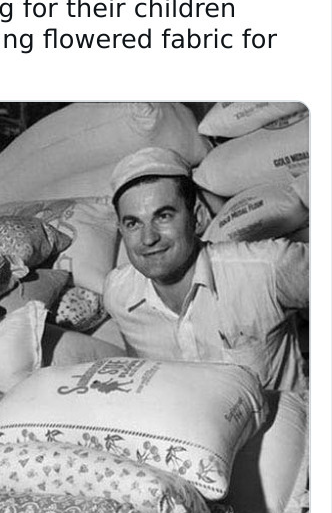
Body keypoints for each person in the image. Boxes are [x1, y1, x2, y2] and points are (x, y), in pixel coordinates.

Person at [102, 146, 308, 392]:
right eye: (133, 223)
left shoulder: (265, 269)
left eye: (163, 216)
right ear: (121, 231)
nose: (148, 238)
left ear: (197, 217)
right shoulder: (119, 294)